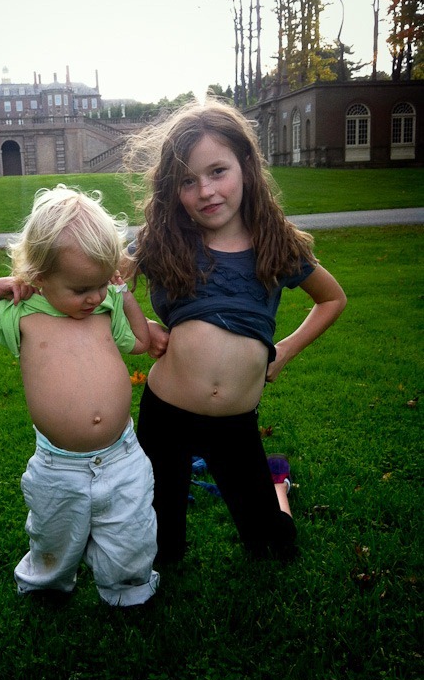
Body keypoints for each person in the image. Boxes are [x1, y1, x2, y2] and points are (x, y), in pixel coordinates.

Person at [122, 100, 347, 563]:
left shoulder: (276, 242)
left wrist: (283, 351)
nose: (206, 191)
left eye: (217, 172)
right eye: (188, 181)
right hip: (166, 414)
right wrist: (141, 326)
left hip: (235, 422)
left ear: (246, 164)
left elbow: (333, 299)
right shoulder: (162, 239)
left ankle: (276, 487)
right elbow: (103, 287)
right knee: (159, 551)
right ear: (172, 188)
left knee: (273, 547)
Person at [0, 185, 159, 606]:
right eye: (80, 289)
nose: (94, 296)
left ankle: (128, 589)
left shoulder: (106, 306)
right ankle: (47, 585)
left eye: (101, 283)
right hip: (59, 466)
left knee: (131, 533)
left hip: (121, 456)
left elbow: (141, 342)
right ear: (39, 277)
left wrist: (124, 297)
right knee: (53, 535)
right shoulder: (21, 314)